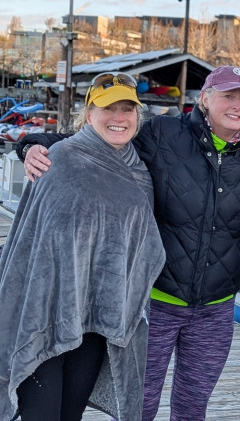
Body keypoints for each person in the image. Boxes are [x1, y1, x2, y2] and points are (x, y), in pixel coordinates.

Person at [18, 65, 240, 421]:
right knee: (139, 404)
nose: (237, 105)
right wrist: (31, 144)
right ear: (205, 99)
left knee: (192, 406)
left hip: (216, 306)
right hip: (155, 301)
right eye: (228, 95)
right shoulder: (163, 133)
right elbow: (96, 141)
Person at [0, 73, 165, 420]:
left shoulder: (140, 172)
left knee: (71, 414)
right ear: (89, 114)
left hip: (97, 321)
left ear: (138, 117)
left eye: (127, 109)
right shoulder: (59, 160)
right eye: (108, 108)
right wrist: (29, 144)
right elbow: (30, 245)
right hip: (45, 317)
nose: (119, 118)